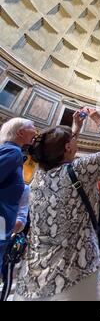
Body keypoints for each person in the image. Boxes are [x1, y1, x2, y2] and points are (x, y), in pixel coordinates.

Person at [14, 108, 100, 301]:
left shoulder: (37, 176)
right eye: (73, 140)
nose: (76, 140)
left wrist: (75, 129)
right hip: (75, 274)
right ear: (67, 147)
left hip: (34, 276)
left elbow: (59, 147)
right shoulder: (80, 170)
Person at [0, 118, 36, 278]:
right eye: (32, 127)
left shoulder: (13, 152)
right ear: (21, 132)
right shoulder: (13, 152)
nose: (36, 131)